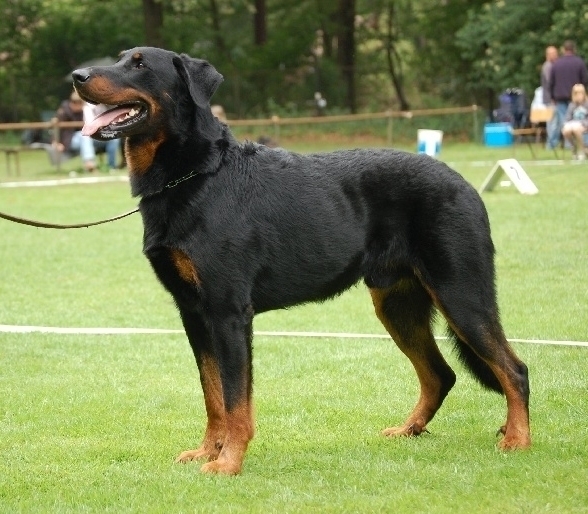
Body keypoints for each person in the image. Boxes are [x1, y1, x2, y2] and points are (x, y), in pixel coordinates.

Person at [547, 40, 588, 149]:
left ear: (563, 50)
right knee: (579, 120)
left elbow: (551, 82)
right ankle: (582, 145)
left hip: (559, 97)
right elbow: (584, 80)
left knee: (565, 122)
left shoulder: (556, 64)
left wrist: (552, 96)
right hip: (576, 97)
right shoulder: (579, 62)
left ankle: (569, 145)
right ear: (573, 49)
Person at [82, 102, 121, 170]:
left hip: (103, 134)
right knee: (85, 138)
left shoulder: (104, 106)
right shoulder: (87, 107)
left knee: (114, 139)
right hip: (91, 138)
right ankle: (90, 164)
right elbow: (90, 124)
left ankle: (112, 166)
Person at [561, 84, 588, 160]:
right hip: (573, 125)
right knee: (566, 131)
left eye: (580, 93)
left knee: (576, 129)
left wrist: (582, 123)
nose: (579, 96)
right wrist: (567, 124)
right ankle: (573, 148)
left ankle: (582, 149)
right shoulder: (572, 105)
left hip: (584, 125)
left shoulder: (587, 104)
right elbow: (567, 118)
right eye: (576, 94)